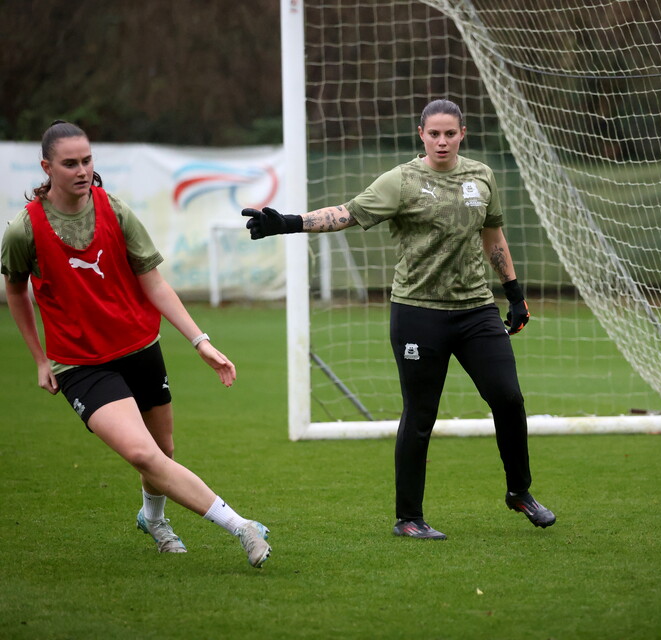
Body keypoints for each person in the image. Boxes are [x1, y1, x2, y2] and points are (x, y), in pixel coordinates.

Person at [242, 99, 555, 540]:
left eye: (450, 133)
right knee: (421, 413)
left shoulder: (482, 177)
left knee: (508, 398)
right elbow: (346, 214)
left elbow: (492, 234)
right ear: (421, 134)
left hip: (476, 309)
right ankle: (409, 517)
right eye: (434, 134)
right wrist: (288, 223)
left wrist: (514, 292)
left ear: (462, 133)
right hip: (418, 313)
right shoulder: (402, 180)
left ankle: (520, 492)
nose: (442, 141)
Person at [1, 121, 272, 568]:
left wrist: (200, 341)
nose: (82, 169)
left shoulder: (117, 211)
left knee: (162, 452)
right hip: (81, 364)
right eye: (70, 163)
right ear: (47, 167)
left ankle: (153, 519)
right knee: (141, 451)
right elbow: (15, 291)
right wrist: (38, 358)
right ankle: (241, 526)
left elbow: (154, 283)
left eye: (87, 160)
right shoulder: (22, 230)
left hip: (140, 347)